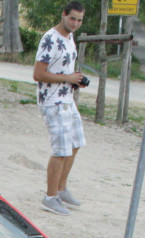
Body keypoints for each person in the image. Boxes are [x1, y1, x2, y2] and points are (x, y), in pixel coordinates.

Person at [33, 1, 87, 216]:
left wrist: (75, 80)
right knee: (61, 150)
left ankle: (61, 188)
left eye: (79, 20)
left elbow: (63, 68)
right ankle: (50, 196)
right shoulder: (50, 38)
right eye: (72, 18)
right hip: (52, 101)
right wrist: (66, 78)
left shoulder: (70, 38)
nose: (75, 23)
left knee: (75, 143)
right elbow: (38, 73)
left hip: (67, 98)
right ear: (64, 15)